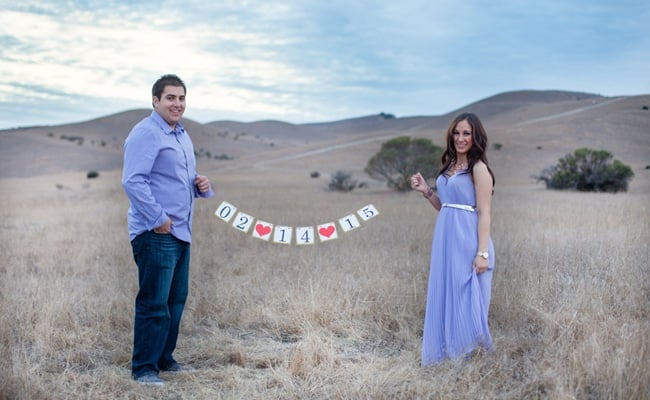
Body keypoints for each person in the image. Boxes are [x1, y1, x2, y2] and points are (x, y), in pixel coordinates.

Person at [122, 74, 214, 385]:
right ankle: (144, 368)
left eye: (181, 98)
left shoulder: (181, 135)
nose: (177, 104)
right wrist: (158, 218)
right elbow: (133, 180)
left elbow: (171, 178)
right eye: (171, 98)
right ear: (155, 101)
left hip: (182, 231)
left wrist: (199, 184)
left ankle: (164, 358)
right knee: (154, 302)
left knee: (175, 301)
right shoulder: (146, 133)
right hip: (157, 233)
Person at [410, 112, 496, 366]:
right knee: (445, 293)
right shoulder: (449, 167)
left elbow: (484, 213)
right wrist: (427, 192)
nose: (460, 138)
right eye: (456, 133)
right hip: (445, 242)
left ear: (475, 136)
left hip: (468, 241)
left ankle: (470, 358)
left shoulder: (478, 169)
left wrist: (482, 254)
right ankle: (445, 353)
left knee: (464, 294)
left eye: (466, 133)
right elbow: (448, 207)